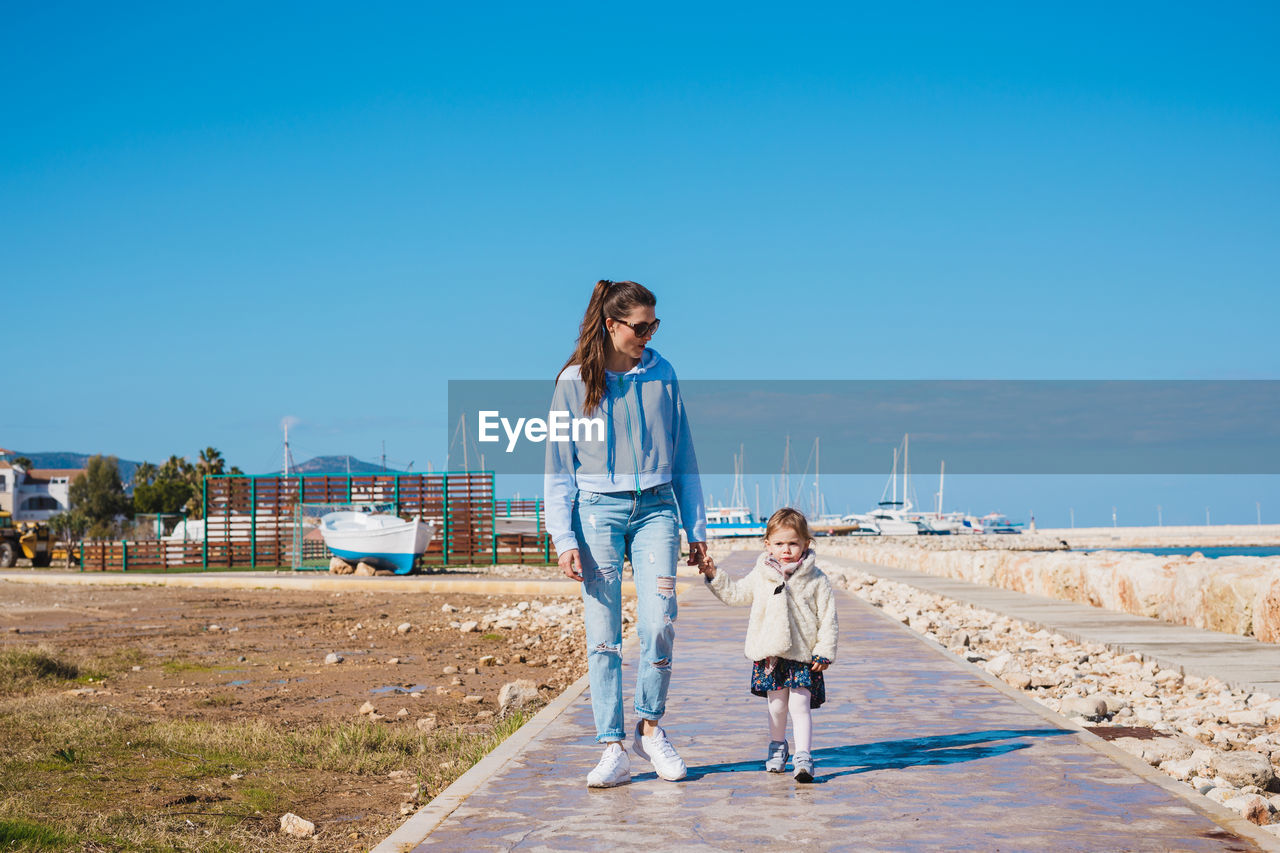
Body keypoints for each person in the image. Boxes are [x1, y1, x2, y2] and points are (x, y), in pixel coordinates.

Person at [545, 279, 708, 788]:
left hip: (658, 508)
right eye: (640, 327)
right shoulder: (574, 381)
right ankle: (611, 746)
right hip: (596, 512)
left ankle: (650, 728)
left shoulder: (663, 374)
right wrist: (562, 537)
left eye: (653, 325)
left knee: (660, 620)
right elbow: (557, 466)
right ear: (612, 324)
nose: (648, 335)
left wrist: (696, 527)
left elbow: (683, 455)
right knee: (603, 635)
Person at [697, 508, 837, 782]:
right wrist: (714, 574)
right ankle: (777, 747)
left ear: (806, 544)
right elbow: (736, 594)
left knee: (800, 705)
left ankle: (804, 757)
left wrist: (825, 650)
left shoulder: (817, 578)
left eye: (793, 543)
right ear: (768, 545)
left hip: (803, 655)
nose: (786, 550)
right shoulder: (762, 574)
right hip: (771, 654)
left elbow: (828, 617)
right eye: (779, 543)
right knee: (776, 706)